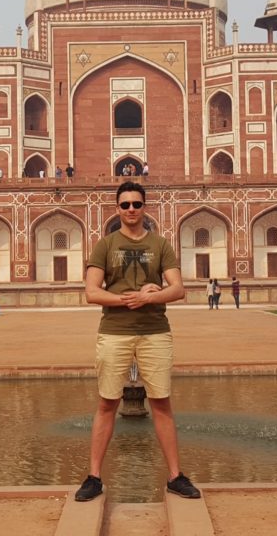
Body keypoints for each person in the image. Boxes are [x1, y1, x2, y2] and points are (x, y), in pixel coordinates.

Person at [75, 181, 199, 503]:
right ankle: (93, 477)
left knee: (161, 402)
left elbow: (179, 289)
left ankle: (175, 476)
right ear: (117, 209)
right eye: (125, 205)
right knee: (107, 403)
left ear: (145, 208)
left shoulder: (160, 244)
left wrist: (151, 296)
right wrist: (127, 300)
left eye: (136, 204)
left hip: (155, 331)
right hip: (114, 331)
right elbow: (91, 292)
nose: (131, 210)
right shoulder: (105, 245)